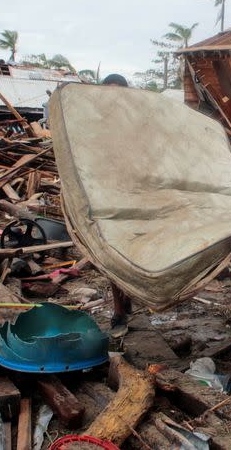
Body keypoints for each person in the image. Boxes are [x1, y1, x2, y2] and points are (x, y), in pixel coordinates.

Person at [101, 73, 132, 331]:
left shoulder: (134, 122)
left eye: (118, 92)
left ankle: (129, 293)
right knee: (110, 254)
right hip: (105, 194)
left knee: (132, 249)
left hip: (132, 194)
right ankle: (118, 308)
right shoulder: (97, 121)